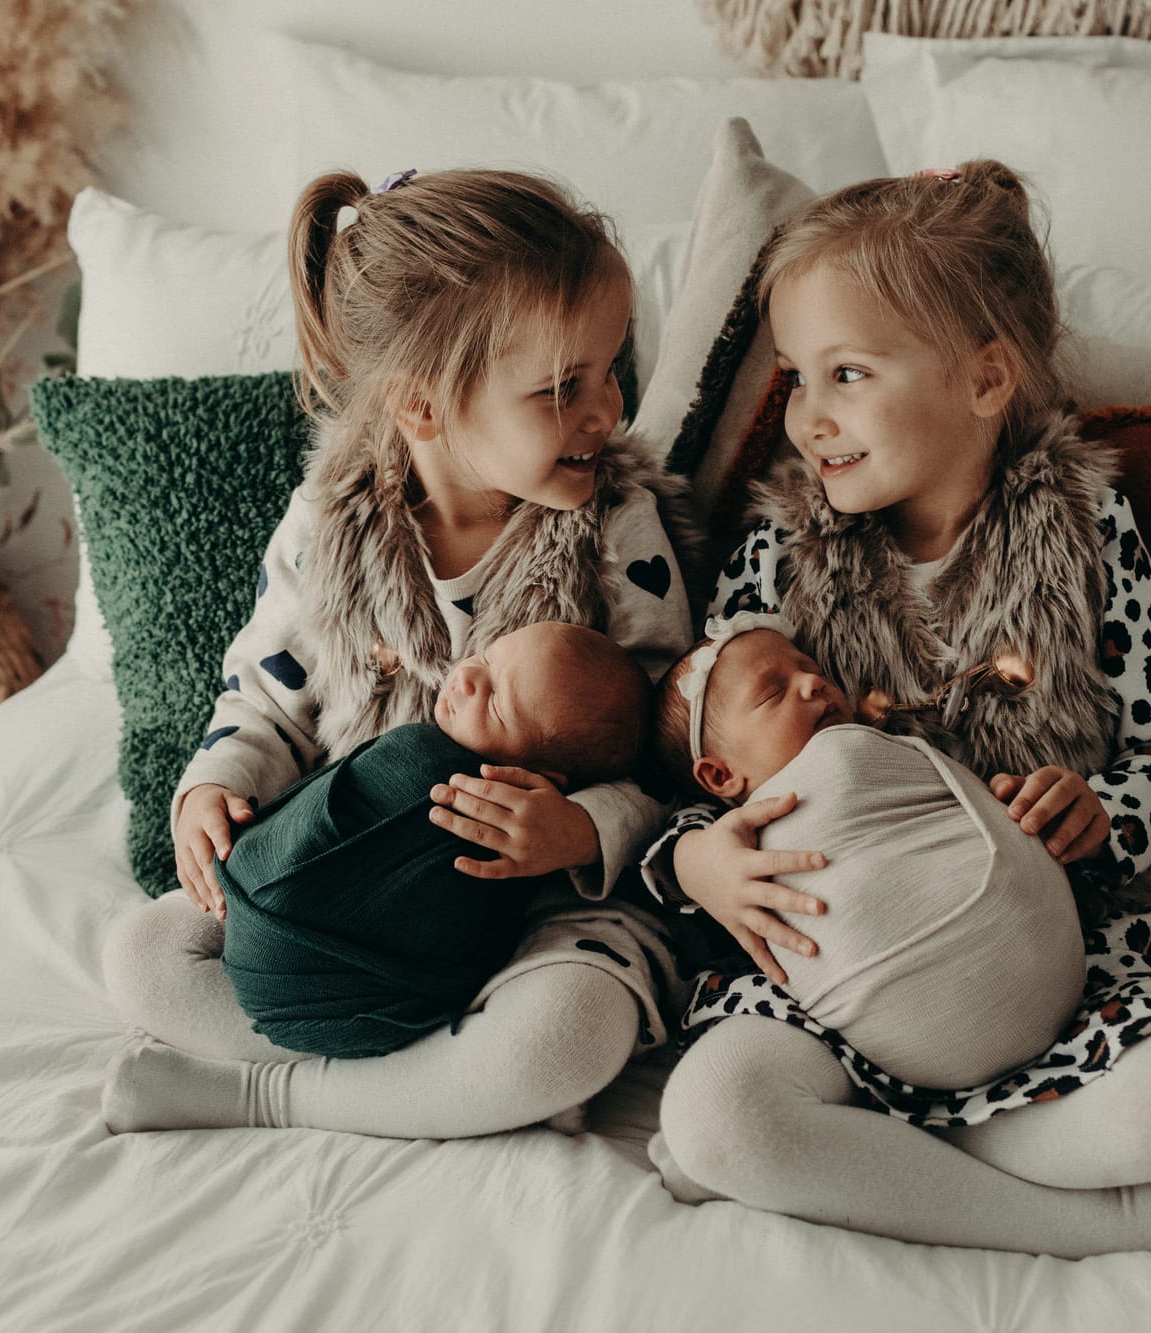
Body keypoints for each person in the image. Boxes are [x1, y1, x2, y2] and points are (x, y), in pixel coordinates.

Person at [639, 162, 1151, 1256]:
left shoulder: (1087, 532)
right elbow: (700, 753)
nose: (808, 417)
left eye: (846, 373)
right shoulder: (781, 553)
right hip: (839, 966)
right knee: (715, 1112)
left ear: (984, 378)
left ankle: (873, 1160)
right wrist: (696, 863)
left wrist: (1103, 812)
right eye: (795, 378)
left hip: (1046, 961)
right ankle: (1080, 1218)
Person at [100, 166, 700, 1139]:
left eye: (609, 368)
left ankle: (279, 1092)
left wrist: (578, 831)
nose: (609, 409)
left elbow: (669, 743)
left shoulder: (615, 526)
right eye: (563, 387)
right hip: (363, 883)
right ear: (420, 408)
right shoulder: (328, 526)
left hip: (541, 901)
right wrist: (215, 786)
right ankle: (452, 1078)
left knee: (571, 1029)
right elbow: (269, 699)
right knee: (143, 953)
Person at [651, 615, 1086, 1094]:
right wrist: (692, 861)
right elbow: (664, 846)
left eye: (812, 669)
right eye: (773, 692)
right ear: (719, 776)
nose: (814, 683)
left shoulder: (880, 752)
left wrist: (1025, 805)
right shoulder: (725, 837)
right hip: (871, 1041)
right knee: (717, 1093)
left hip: (1044, 957)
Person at [216, 622, 652, 1061]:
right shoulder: (318, 586)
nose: (466, 677)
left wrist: (580, 828)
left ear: (540, 778)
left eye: (496, 704)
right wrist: (214, 785)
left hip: (333, 972)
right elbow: (260, 701)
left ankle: (294, 1084)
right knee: (168, 940)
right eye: (485, 656)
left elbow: (663, 761)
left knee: (573, 1020)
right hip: (255, 900)